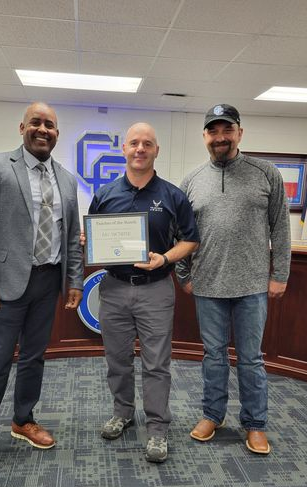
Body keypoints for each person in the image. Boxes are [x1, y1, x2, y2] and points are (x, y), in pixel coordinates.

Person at [0, 102, 83, 482]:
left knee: (34, 357)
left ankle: (23, 420)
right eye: (36, 122)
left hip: (48, 280)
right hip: (6, 283)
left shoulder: (66, 179)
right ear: (22, 127)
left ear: (57, 133)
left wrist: (76, 282)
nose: (43, 129)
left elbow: (72, 240)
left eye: (50, 124)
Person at [176, 104, 291, 455]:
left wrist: (280, 274)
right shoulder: (192, 180)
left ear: (240, 132)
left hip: (252, 286)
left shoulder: (266, 173)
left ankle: (255, 424)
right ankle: (213, 415)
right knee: (213, 356)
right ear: (205, 136)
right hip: (207, 285)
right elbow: (179, 231)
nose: (220, 137)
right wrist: (184, 275)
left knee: (251, 358)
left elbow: (281, 227)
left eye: (227, 130)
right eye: (213, 131)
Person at [88, 122, 198, 463]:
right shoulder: (105, 194)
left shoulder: (172, 195)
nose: (140, 149)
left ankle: (157, 428)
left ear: (156, 151)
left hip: (156, 290)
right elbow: (92, 237)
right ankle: (123, 412)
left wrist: (164, 258)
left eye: (147, 143)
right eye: (134, 143)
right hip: (115, 290)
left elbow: (191, 240)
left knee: (156, 364)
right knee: (117, 360)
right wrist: (89, 243)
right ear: (124, 149)